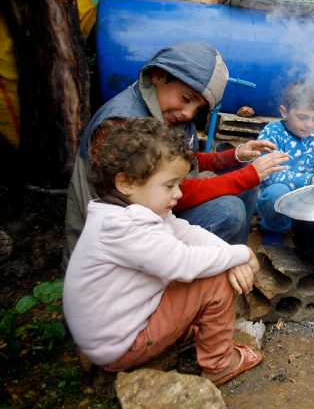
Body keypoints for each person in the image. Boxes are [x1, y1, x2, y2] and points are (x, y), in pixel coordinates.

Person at [63, 118, 263, 385]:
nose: (178, 194)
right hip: (121, 344)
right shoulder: (124, 227)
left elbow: (185, 231)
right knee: (213, 280)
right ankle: (219, 365)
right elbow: (184, 262)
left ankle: (182, 334)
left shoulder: (125, 211)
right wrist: (240, 254)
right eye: (169, 186)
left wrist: (230, 253)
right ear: (126, 183)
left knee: (210, 265)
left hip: (114, 330)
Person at [65, 41, 289, 263]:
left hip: (158, 209)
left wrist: (234, 156)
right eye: (186, 99)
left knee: (246, 182)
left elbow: (182, 163)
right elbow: (169, 191)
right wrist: (247, 176)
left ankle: (232, 265)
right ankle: (207, 274)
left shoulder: (163, 110)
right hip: (120, 240)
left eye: (198, 108)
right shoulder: (121, 123)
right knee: (229, 210)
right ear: (159, 76)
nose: (189, 113)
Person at [255, 82, 314, 245]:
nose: (309, 124)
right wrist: (310, 180)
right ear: (284, 112)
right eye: (302, 117)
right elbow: (269, 173)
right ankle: (274, 229)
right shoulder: (272, 133)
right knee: (276, 192)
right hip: (278, 193)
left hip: (306, 194)